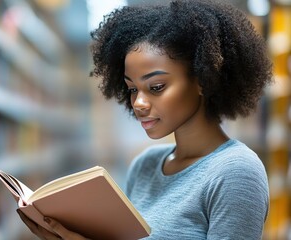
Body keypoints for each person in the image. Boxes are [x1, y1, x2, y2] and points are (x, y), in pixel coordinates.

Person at [17, 0, 272, 239]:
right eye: (132, 89)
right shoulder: (145, 166)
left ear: (203, 80)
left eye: (157, 86)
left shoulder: (236, 172)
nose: (138, 103)